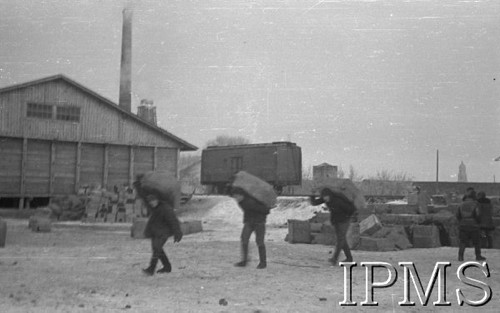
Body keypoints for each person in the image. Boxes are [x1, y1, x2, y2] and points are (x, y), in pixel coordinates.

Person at [310, 187, 356, 266]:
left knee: (340, 240)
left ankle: (334, 259)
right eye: (323, 197)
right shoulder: (326, 199)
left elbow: (351, 209)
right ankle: (349, 258)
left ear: (329, 195)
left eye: (326, 197)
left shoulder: (338, 201)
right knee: (342, 240)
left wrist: (346, 217)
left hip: (344, 221)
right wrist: (312, 195)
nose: (325, 199)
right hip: (336, 221)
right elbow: (314, 202)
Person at [142, 193, 183, 276]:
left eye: (152, 201)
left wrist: (177, 232)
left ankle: (151, 269)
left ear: (157, 200)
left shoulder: (166, 208)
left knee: (157, 248)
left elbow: (173, 220)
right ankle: (167, 266)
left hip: (164, 232)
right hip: (156, 232)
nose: (151, 203)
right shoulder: (155, 207)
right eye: (150, 202)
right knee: (157, 249)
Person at [231, 187, 270, 269]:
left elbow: (265, 210)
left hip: (259, 223)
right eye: (235, 197)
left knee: (259, 242)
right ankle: (244, 261)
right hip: (249, 222)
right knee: (244, 239)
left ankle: (263, 263)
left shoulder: (252, 201)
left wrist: (260, 213)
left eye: (236, 197)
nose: (236, 199)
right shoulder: (242, 202)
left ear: (241, 195)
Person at [456, 189, 486, 262]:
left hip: (463, 225)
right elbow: (478, 215)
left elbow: (458, 215)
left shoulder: (461, 204)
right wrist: (478, 222)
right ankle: (478, 256)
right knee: (477, 242)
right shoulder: (476, 204)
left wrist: (461, 221)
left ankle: (460, 256)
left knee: (463, 242)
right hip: (473, 225)